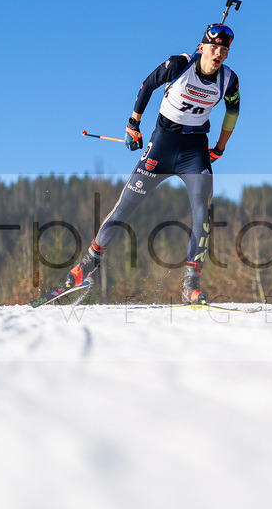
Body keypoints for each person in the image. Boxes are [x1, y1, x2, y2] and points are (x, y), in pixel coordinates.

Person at [64, 22, 240, 304]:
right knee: (125, 206)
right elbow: (148, 84)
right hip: (163, 143)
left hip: (195, 150)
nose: (217, 53)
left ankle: (190, 284)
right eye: (213, 47)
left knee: (201, 214)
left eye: (223, 49)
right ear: (202, 47)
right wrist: (133, 123)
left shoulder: (229, 80)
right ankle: (89, 263)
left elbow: (233, 112)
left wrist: (220, 146)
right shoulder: (179, 64)